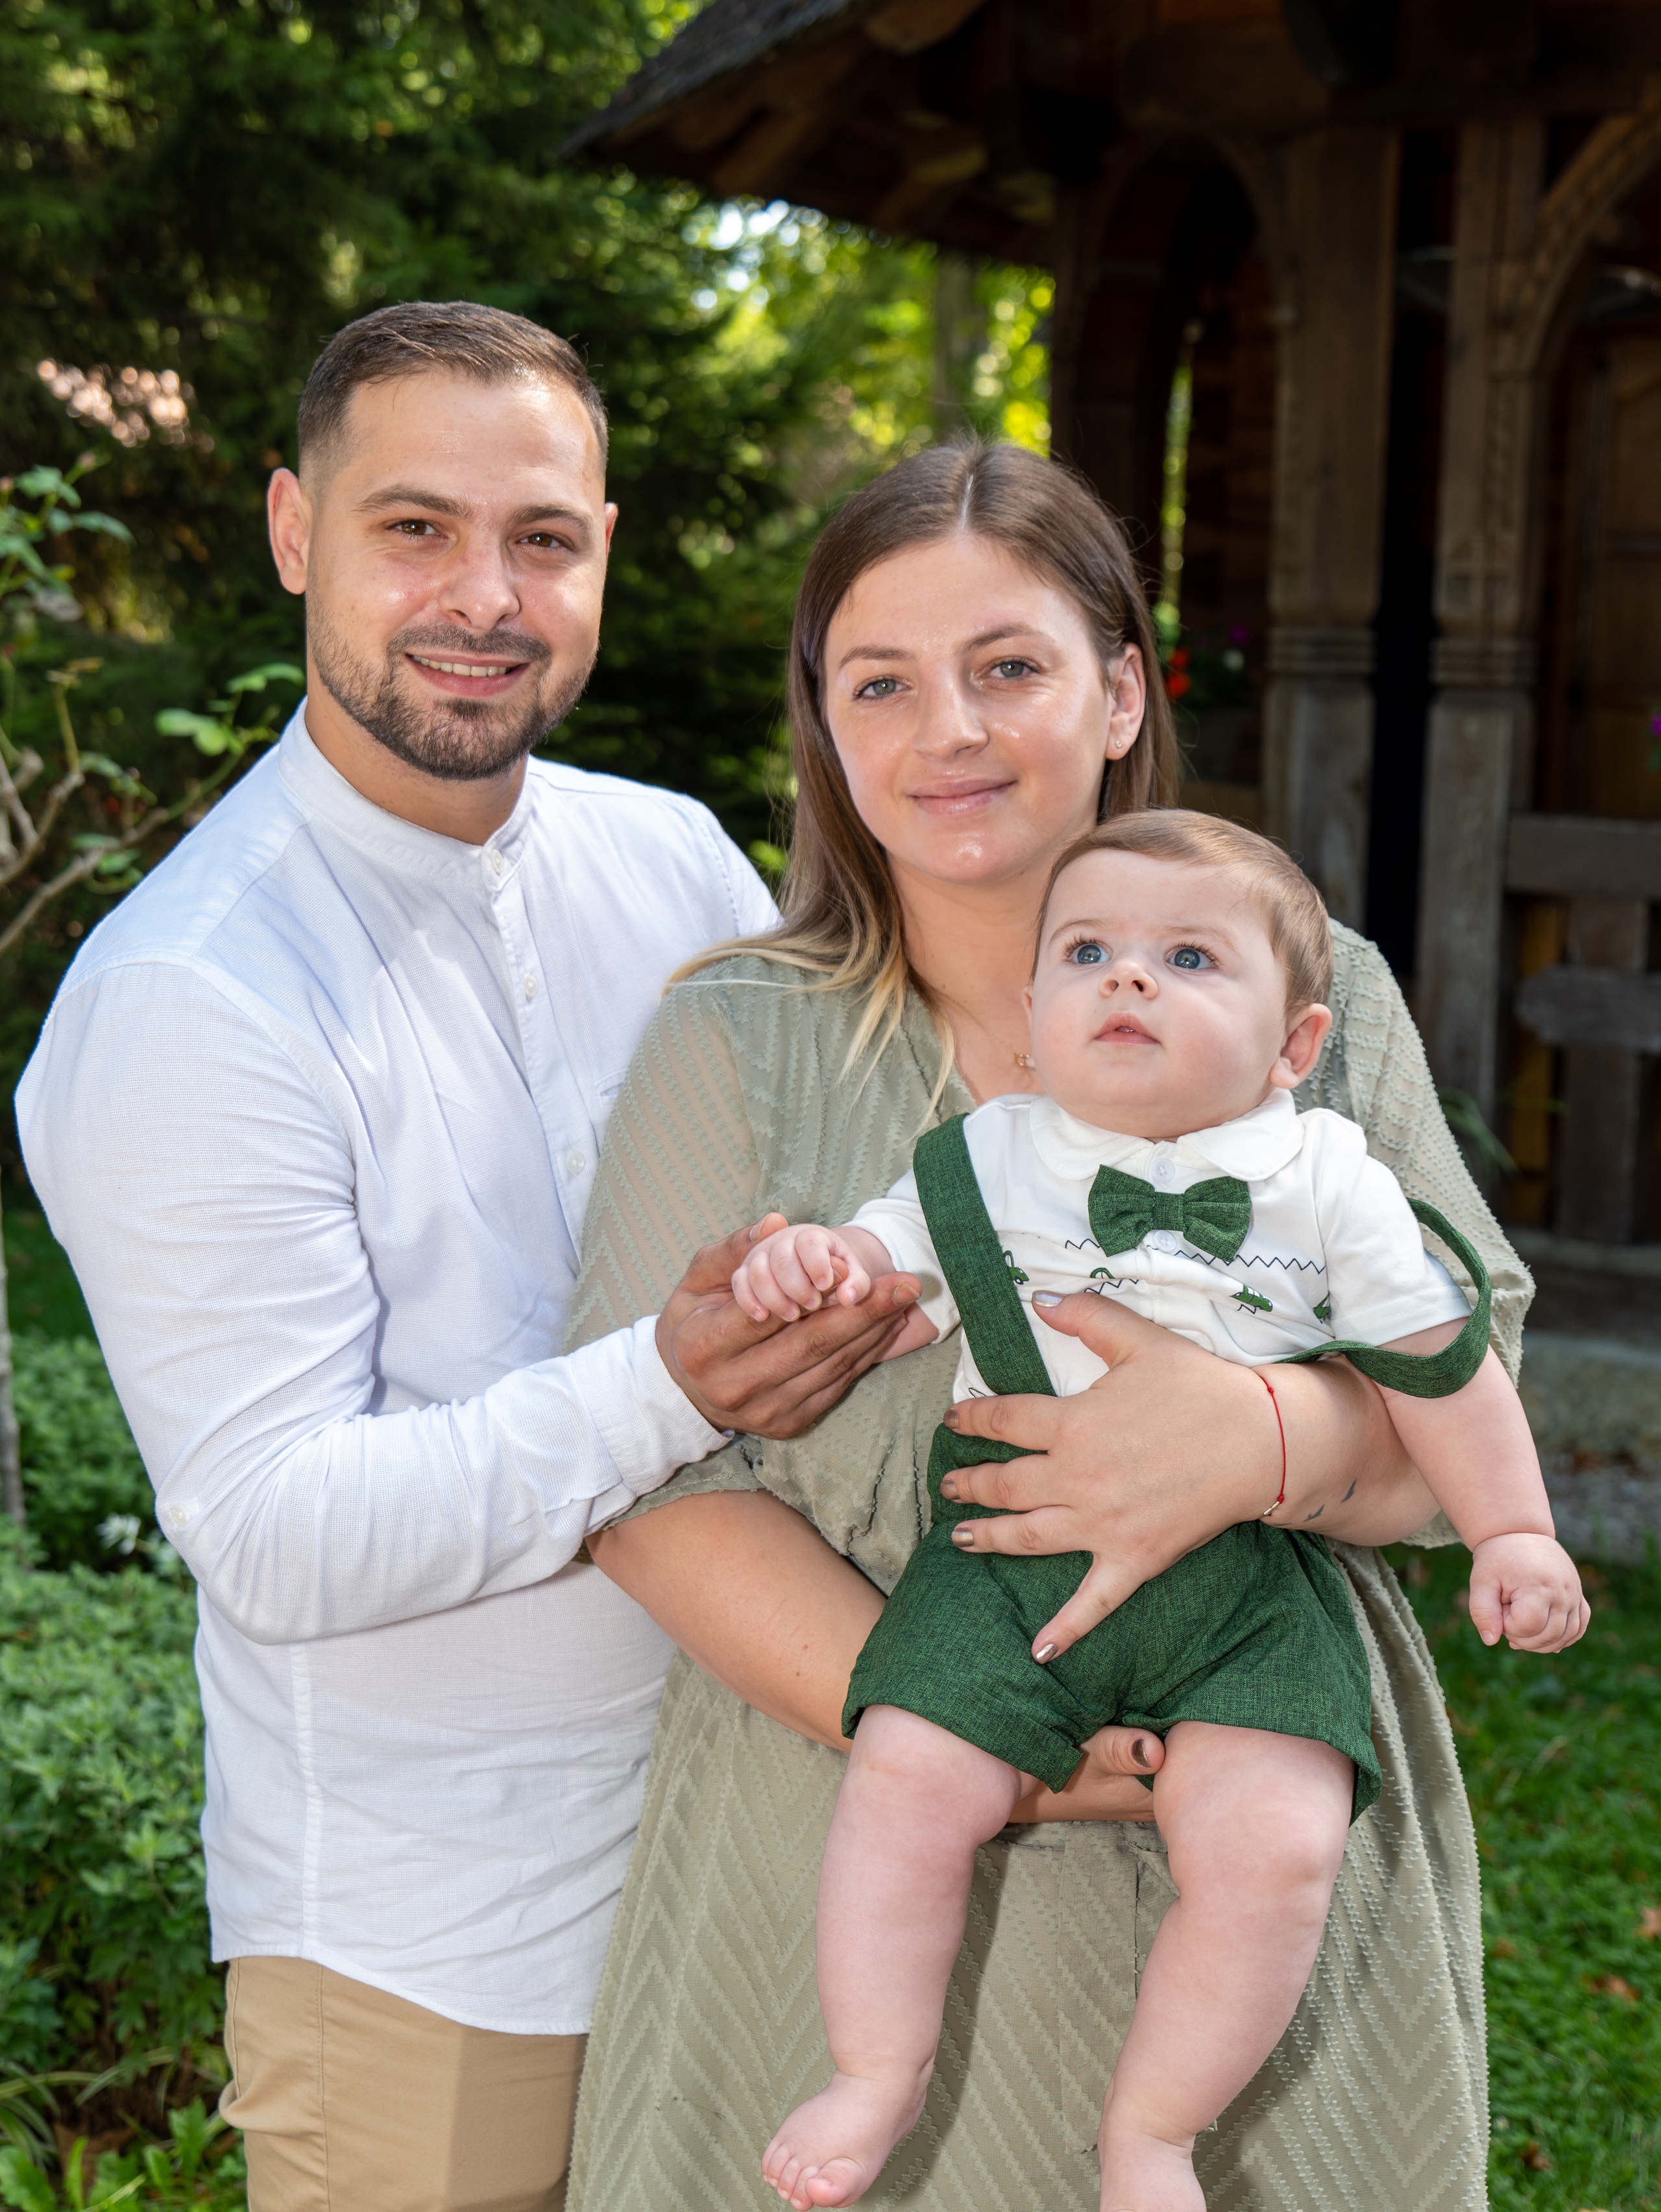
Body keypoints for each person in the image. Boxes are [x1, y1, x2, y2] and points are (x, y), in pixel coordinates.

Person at [16, 300, 927, 2212]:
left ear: (605, 545)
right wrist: (664, 1388)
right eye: (412, 528)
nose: (483, 596)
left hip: (744, 1846)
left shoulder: (673, 861)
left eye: (542, 538)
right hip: (433, 1945)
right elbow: (271, 1528)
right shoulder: (199, 991)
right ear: (293, 531)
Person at [564, 441, 1533, 2212]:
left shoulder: (1332, 996)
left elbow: (1466, 1423)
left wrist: (1264, 1438)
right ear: (828, 731)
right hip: (838, 1834)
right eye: (883, 682)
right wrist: (963, 1735)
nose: (951, 730)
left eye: (1007, 665)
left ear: (1119, 690)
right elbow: (643, 1483)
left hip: (1264, 1820)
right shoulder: (733, 1035)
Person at [736, 812, 1586, 2212]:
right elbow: (887, 1284)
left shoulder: (1330, 1183)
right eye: (1088, 953)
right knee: (903, 1774)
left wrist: (1513, 1529)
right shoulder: (994, 1151)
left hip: (1244, 1582)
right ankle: (872, 2071)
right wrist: (821, 1268)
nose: (1126, 980)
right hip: (1007, 1558)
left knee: (1277, 1844)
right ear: (1033, 1012)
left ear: (1295, 1046)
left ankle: (1155, 2129)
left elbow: (1443, 1372)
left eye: (1186, 956)